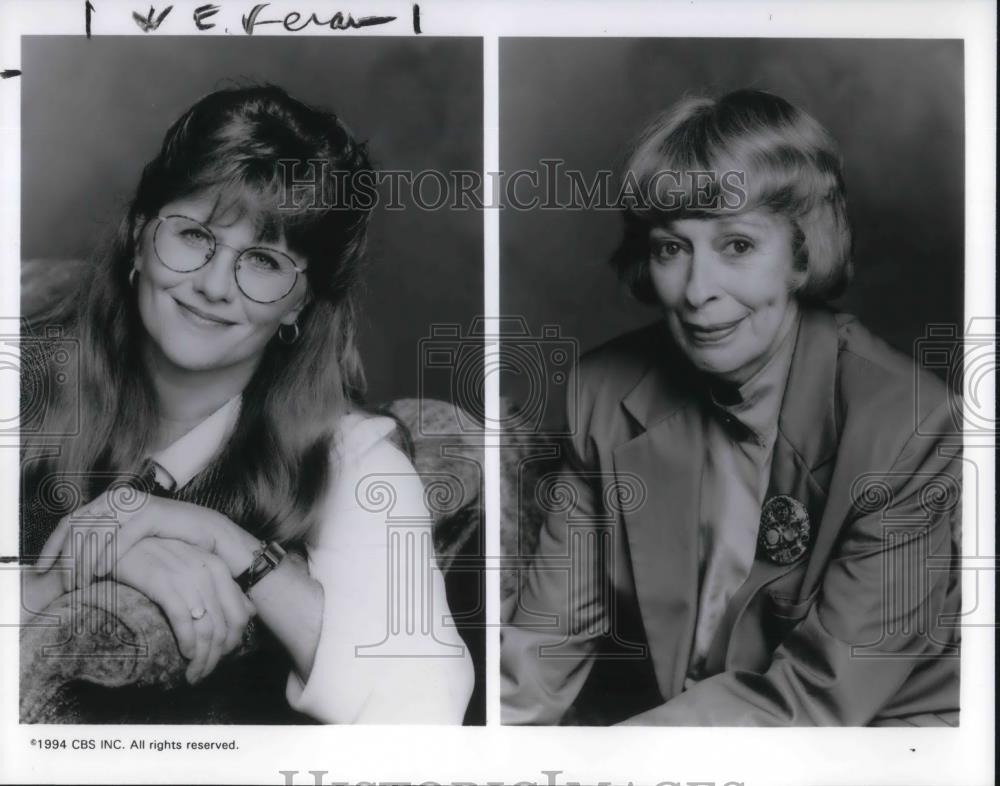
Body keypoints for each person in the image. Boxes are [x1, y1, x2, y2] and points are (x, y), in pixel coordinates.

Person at [501, 89, 961, 726]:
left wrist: (613, 758)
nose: (697, 291)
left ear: (802, 253)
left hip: (881, 733)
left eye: (737, 246)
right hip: (683, 731)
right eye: (671, 247)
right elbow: (543, 649)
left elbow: (818, 698)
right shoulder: (603, 393)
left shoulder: (909, 423)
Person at [20, 84, 474, 724]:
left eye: (262, 261)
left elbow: (425, 708)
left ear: (300, 303)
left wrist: (228, 543)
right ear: (139, 234)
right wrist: (73, 575)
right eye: (194, 235)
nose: (212, 285)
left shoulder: (351, 458)